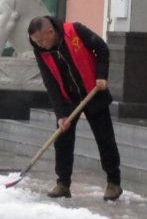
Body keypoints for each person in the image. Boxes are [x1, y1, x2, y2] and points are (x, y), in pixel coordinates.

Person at [28, 16, 122, 201]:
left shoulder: (75, 31)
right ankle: (63, 183)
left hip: (93, 91)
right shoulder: (41, 51)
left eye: (40, 40)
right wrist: (61, 114)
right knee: (62, 141)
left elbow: (101, 48)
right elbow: (50, 82)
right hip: (67, 97)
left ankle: (114, 182)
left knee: (104, 138)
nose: (39, 45)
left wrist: (102, 75)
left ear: (51, 32)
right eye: (35, 42)